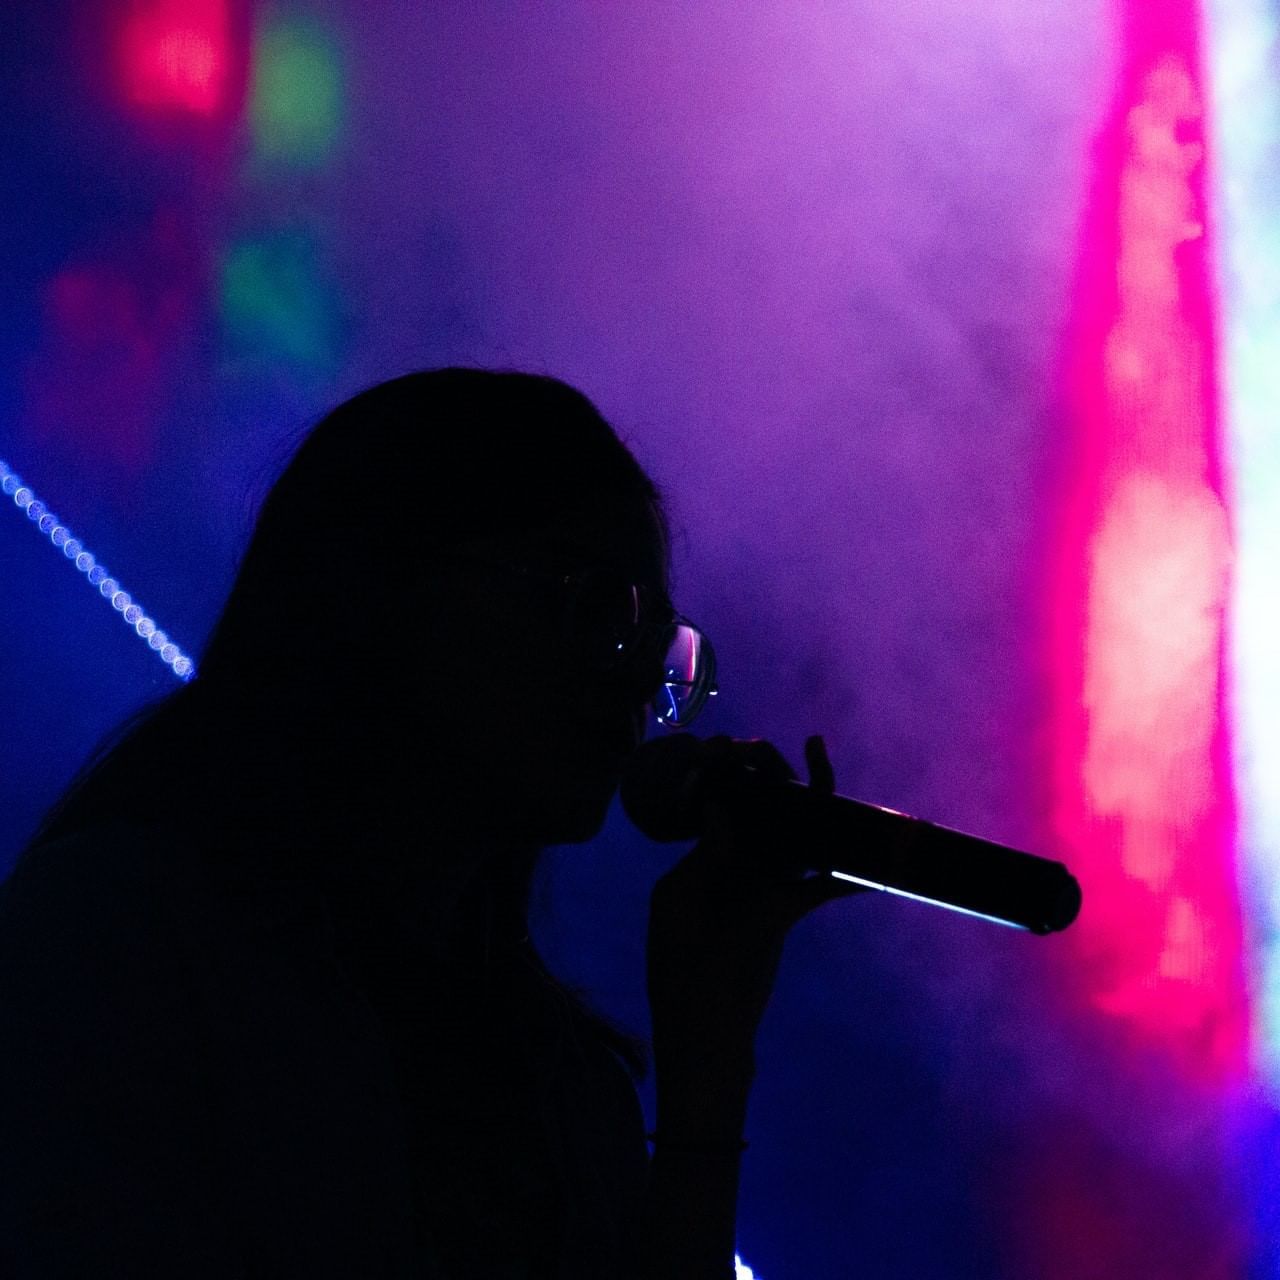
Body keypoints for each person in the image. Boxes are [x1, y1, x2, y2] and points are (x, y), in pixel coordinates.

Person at [0, 369, 858, 1279]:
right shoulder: (115, 944)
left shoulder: (561, 1085)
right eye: (597, 604)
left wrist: (709, 1052)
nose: (640, 678)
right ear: (384, 585)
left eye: (660, 647)